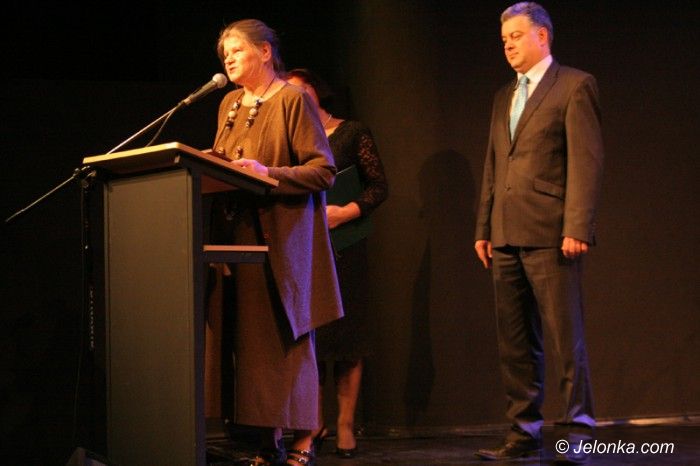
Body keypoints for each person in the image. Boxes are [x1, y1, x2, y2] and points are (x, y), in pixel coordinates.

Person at [209, 19, 344, 466]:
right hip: (238, 238)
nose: (228, 59)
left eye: (237, 50)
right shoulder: (229, 103)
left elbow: (323, 171)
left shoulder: (292, 100)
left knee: (288, 342)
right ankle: (269, 441)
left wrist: (269, 174)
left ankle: (304, 437)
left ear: (265, 52)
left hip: (283, 241)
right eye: (225, 53)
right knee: (254, 347)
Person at [473, 3, 604, 464]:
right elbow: (494, 164)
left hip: (552, 233)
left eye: (516, 35)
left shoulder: (574, 85)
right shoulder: (503, 96)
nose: (507, 45)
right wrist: (484, 226)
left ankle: (576, 433)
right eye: (503, 38)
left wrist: (576, 226)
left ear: (542, 36)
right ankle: (524, 432)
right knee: (515, 344)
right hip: (505, 233)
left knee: (566, 341)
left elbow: (586, 162)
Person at [285, 69, 388, 459]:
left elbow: (378, 186)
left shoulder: (351, 132)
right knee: (311, 341)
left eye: (301, 91)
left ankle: (345, 423)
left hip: (345, 246)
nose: (296, 99)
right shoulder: (290, 138)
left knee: (348, 340)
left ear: (316, 92)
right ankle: (314, 422)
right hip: (304, 250)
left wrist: (346, 212)